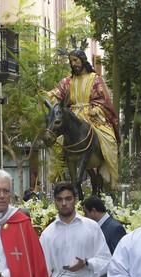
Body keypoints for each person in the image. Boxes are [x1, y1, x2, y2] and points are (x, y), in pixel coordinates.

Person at [47, 49, 119, 189]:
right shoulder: (68, 81)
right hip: (71, 116)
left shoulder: (95, 79)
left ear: (83, 60)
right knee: (56, 143)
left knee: (109, 140)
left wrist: (96, 109)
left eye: (76, 60)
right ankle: (57, 175)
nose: (73, 64)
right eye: (71, 61)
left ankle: (108, 168)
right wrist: (45, 94)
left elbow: (103, 99)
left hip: (91, 114)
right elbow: (56, 94)